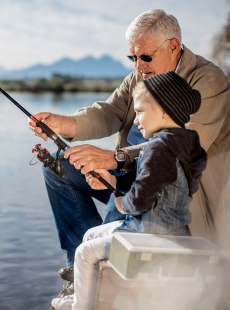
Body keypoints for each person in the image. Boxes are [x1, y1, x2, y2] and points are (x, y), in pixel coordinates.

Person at [28, 8, 230, 296]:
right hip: (129, 181)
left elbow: (183, 147)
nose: (138, 65)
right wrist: (65, 124)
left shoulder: (208, 81)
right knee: (59, 166)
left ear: (174, 47)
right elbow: (109, 112)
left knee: (107, 241)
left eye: (145, 56)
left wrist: (114, 159)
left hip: (174, 195)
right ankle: (79, 273)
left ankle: (103, 278)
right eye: (132, 57)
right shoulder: (139, 76)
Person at [51, 70, 207, 310]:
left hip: (148, 232)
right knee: (92, 235)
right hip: (176, 229)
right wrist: (113, 185)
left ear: (165, 111)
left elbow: (142, 198)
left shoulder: (159, 148)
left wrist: (122, 202)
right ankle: (85, 294)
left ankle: (81, 306)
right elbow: (166, 187)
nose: (136, 120)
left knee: (84, 253)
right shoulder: (189, 144)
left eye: (141, 111)